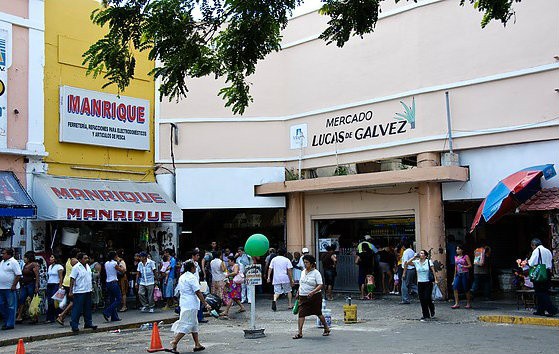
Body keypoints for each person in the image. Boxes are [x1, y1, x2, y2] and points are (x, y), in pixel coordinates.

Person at [170, 260, 212, 353]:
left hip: (184, 302)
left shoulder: (182, 277)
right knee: (187, 324)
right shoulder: (192, 278)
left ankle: (197, 344)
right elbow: (197, 291)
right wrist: (205, 303)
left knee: (194, 324)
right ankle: (175, 342)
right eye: (195, 267)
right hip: (191, 303)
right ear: (192, 268)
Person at [292, 254, 330, 339]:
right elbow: (301, 283)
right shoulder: (303, 272)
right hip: (303, 296)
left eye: (307, 262)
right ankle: (300, 333)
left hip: (314, 297)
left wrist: (313, 292)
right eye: (304, 262)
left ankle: (326, 328)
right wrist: (298, 291)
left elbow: (320, 285)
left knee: (318, 313)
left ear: (312, 264)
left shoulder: (316, 273)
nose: (305, 264)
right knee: (301, 314)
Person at [528, 238, 558, 317]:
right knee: (544, 291)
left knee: (540, 292)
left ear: (534, 245)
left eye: (532, 246)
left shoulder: (536, 251)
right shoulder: (547, 250)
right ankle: (540, 310)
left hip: (540, 273)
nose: (532, 247)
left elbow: (532, 263)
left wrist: (526, 262)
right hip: (547, 272)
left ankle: (552, 309)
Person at [405, 250, 437, 321]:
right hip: (420, 282)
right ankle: (425, 315)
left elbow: (433, 271)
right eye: (420, 253)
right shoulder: (416, 262)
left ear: (425, 256)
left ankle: (431, 308)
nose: (420, 254)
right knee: (422, 299)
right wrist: (414, 257)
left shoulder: (428, 262)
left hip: (428, 282)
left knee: (427, 298)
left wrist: (435, 279)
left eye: (422, 253)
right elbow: (407, 263)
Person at [69, 252, 97, 333]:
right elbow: (72, 279)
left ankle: (88, 323)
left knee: (87, 308)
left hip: (87, 290)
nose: (87, 260)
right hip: (79, 291)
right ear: (80, 259)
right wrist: (71, 291)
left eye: (87, 258)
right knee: (77, 309)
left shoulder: (87, 266)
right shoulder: (76, 267)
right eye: (85, 258)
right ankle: (74, 325)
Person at [57, 248, 80, 326]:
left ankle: (65, 317)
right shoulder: (75, 261)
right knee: (74, 301)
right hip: (71, 282)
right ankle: (62, 315)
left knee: (72, 301)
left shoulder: (68, 260)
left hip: (66, 281)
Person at [0, 248, 22, 330]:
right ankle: (6, 321)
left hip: (9, 288)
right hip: (1, 287)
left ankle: (10, 324)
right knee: (1, 304)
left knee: (11, 306)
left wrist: (14, 285)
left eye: (4, 253)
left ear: (9, 254)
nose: (2, 255)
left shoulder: (13, 262)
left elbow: (18, 274)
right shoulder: (2, 262)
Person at [16, 251, 40, 324]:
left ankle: (34, 317)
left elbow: (37, 276)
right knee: (21, 299)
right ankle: (19, 316)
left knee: (32, 301)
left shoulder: (34, 265)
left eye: (25, 257)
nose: (24, 259)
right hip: (24, 284)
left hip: (31, 284)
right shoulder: (25, 264)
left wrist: (36, 286)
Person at [103, 250, 125, 322]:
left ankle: (114, 317)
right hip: (114, 282)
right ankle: (107, 311)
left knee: (112, 300)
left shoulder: (106, 263)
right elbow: (122, 270)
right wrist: (120, 263)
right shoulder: (114, 263)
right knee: (119, 299)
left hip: (108, 282)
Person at [451, 244, 472, 309]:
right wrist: (454, 277)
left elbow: (470, 265)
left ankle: (468, 303)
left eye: (459, 249)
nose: (457, 250)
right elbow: (455, 267)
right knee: (455, 287)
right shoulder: (456, 257)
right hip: (458, 274)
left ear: (462, 250)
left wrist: (463, 266)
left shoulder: (465, 256)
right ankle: (456, 303)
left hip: (464, 273)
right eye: (457, 249)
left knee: (466, 288)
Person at [46, 254, 64, 323]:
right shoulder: (50, 266)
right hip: (49, 284)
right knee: (50, 301)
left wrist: (60, 285)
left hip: (56, 284)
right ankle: (50, 317)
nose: (50, 258)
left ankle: (58, 315)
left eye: (52, 257)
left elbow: (61, 277)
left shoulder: (59, 266)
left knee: (55, 301)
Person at [400, 240, 417, 304]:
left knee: (404, 285)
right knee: (410, 284)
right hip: (412, 269)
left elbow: (406, 263)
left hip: (408, 270)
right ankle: (423, 293)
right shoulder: (412, 251)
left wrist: (404, 273)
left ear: (403, 246)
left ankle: (405, 299)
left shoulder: (406, 252)